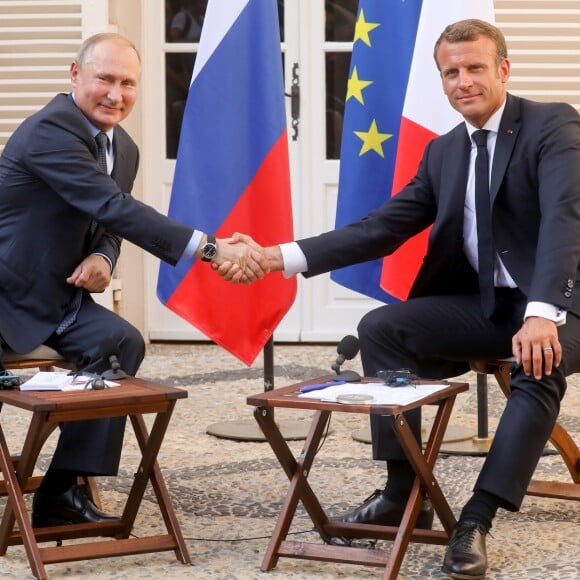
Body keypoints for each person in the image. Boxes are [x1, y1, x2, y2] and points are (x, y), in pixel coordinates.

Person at [218, 19, 580, 579]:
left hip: (561, 304)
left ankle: (476, 519)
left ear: (503, 70)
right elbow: (380, 229)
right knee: (382, 328)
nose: (463, 81)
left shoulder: (551, 125)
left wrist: (541, 314)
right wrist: (274, 257)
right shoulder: (444, 153)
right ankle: (400, 488)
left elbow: (564, 220)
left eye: (475, 68)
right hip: (490, 306)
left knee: (537, 365)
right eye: (451, 72)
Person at [0, 32, 265, 528]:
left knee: (120, 343)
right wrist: (210, 248)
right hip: (4, 297)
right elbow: (113, 206)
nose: (115, 94)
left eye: (127, 83)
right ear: (75, 75)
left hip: (55, 302)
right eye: (104, 79)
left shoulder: (123, 147)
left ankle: (61, 494)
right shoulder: (49, 132)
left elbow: (110, 223)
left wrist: (103, 253)